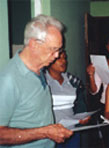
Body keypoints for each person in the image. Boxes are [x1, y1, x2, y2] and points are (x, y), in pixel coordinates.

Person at [0, 14, 72, 147]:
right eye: (53, 49)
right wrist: (44, 132)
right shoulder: (8, 80)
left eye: (59, 49)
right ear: (34, 44)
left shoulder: (40, 70)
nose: (57, 56)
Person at [45, 50, 90, 148]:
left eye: (65, 58)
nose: (63, 61)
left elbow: (80, 105)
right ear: (49, 60)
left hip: (72, 132)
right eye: (59, 58)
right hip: (51, 135)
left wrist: (83, 117)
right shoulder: (43, 82)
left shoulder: (72, 80)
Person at [86, 35, 109, 147]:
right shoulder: (100, 65)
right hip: (106, 106)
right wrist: (91, 75)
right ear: (107, 47)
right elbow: (94, 91)